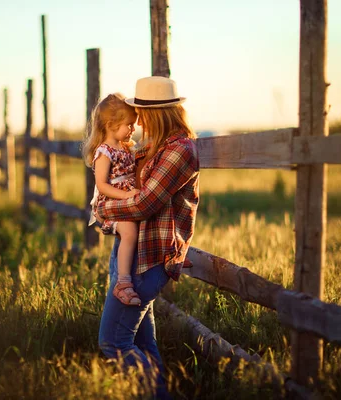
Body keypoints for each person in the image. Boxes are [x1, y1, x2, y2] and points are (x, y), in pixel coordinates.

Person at [96, 76, 200, 399]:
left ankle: (158, 394)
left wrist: (103, 212)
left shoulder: (179, 150)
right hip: (131, 256)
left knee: (112, 341)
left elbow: (144, 203)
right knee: (142, 341)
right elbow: (120, 180)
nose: (138, 121)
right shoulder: (154, 147)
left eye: (141, 113)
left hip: (151, 261)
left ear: (158, 114)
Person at [83, 93, 142, 306]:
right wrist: (126, 195)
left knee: (136, 231)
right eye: (128, 124)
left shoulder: (125, 147)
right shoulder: (104, 152)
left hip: (125, 198)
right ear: (110, 124)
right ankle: (123, 283)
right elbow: (102, 185)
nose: (132, 129)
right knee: (129, 232)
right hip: (112, 201)